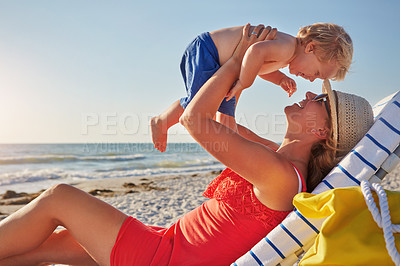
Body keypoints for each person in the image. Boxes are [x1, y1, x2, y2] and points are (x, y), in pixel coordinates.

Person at [0, 25, 372, 266]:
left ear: (324, 132)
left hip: (162, 258)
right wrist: (234, 68)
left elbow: (197, 123)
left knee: (59, 197)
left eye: (322, 103)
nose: (311, 93)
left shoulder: (282, 176)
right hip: (164, 241)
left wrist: (240, 57)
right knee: (48, 246)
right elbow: (222, 123)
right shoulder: (275, 157)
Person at [151, 22, 353, 152]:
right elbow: (255, 52)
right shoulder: (287, 47)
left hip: (225, 66)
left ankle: (238, 155)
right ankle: (161, 122)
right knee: (201, 106)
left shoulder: (286, 55)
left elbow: (259, 65)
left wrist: (279, 78)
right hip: (208, 52)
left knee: (223, 122)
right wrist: (244, 83)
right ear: (310, 48)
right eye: (316, 73)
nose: (310, 80)